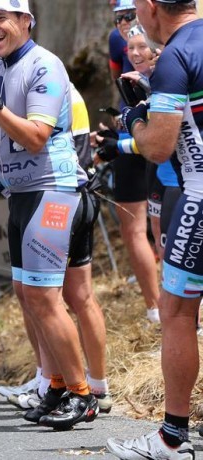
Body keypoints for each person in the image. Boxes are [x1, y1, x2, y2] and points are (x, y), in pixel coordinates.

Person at [0, 0, 98, 430]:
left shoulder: (44, 64)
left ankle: (83, 394)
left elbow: (35, 136)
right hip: (22, 192)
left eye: (1, 19)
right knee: (29, 295)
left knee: (48, 298)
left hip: (54, 189)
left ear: (26, 22)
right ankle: (58, 382)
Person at [106, 1, 201, 458]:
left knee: (179, 315)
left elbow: (159, 146)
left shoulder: (176, 56)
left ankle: (171, 437)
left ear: (149, 7)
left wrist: (133, 119)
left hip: (199, 195)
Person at [109, 0, 161, 323]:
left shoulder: (167, 36)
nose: (124, 22)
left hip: (159, 147)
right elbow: (120, 81)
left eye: (129, 15)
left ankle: (183, 311)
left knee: (162, 229)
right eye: (118, 18)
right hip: (132, 136)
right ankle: (155, 307)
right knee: (133, 228)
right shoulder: (117, 42)